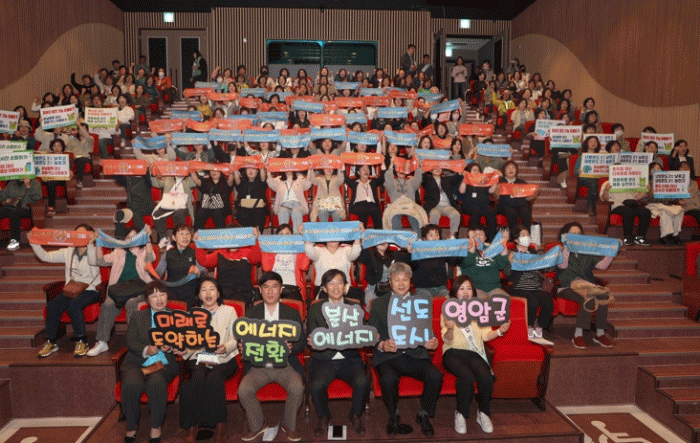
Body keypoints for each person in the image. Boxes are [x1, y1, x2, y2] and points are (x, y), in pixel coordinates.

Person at [369, 262, 442, 436]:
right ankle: (393, 415)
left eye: (405, 279)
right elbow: (371, 335)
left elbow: (427, 331)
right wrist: (382, 345)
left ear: (410, 281)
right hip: (389, 357)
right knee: (388, 380)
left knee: (435, 376)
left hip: (415, 354)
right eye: (397, 279)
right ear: (390, 281)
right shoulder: (379, 304)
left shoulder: (420, 302)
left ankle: (423, 413)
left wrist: (432, 342)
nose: (401, 284)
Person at [238, 272, 306, 442]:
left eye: (274, 287)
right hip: (259, 366)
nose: (270, 292)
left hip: (285, 365)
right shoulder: (251, 314)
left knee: (297, 387)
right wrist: (243, 347)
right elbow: (243, 341)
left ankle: (289, 425)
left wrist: (291, 347)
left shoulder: (292, 313)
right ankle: (258, 425)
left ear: (281, 290)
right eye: (266, 287)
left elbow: (302, 342)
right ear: (260, 290)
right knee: (244, 390)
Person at [172, 278, 238, 443]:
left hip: (223, 359)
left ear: (218, 293)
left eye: (212, 289)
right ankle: (193, 425)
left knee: (214, 378)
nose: (208, 293)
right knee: (198, 377)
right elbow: (190, 342)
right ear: (199, 295)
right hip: (199, 358)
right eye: (204, 290)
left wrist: (226, 346)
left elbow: (237, 337)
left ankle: (220, 424)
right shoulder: (192, 315)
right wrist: (184, 350)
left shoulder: (229, 311)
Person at [442, 275, 510, 434]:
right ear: (455, 291)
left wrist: (500, 331)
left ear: (473, 291)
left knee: (486, 377)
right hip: (453, 352)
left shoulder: (479, 309)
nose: (465, 292)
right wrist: (450, 328)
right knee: (466, 377)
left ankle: (483, 412)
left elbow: (485, 336)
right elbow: (446, 339)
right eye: (461, 288)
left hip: (474, 353)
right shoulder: (449, 307)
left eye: (469, 288)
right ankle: (461, 413)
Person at [307, 270, 371, 437]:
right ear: (324, 288)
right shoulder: (315, 309)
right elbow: (311, 336)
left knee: (362, 381)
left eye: (339, 283)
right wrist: (312, 342)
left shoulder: (355, 308)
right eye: (331, 283)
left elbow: (362, 333)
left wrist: (368, 337)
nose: (335, 287)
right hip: (324, 359)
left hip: (349, 358)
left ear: (346, 287)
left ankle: (355, 415)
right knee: (316, 386)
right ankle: (324, 416)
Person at [121, 281, 180, 443]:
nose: (159, 299)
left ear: (167, 296)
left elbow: (182, 341)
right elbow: (130, 341)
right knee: (131, 383)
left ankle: (155, 426)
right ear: (147, 300)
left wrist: (170, 347)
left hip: (161, 364)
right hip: (137, 363)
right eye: (154, 296)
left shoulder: (176, 317)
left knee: (156, 382)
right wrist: (146, 349)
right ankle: (131, 426)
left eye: (162, 294)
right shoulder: (138, 316)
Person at [30, 224, 101, 357]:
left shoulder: (96, 251)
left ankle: (82, 341)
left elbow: (93, 262)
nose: (79, 237)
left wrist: (91, 244)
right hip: (72, 289)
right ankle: (51, 341)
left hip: (90, 289)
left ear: (90, 235)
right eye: (76, 234)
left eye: (82, 234)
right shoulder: (68, 251)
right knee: (52, 306)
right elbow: (46, 256)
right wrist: (34, 243)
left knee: (74, 305)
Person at [87, 222, 155, 357]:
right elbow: (100, 261)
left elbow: (150, 258)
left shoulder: (143, 252)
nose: (131, 240)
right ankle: (102, 342)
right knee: (108, 304)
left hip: (139, 290)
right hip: (119, 291)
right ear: (124, 240)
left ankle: (134, 341)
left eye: (135, 237)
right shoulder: (118, 252)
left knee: (131, 303)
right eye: (128, 237)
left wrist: (147, 239)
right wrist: (97, 243)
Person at [556, 222, 616, 349]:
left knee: (603, 296)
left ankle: (600, 334)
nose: (576, 236)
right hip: (567, 286)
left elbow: (602, 266)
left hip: (587, 285)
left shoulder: (587, 251)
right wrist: (567, 247)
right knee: (588, 299)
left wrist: (611, 253)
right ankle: (578, 335)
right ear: (565, 235)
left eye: (579, 234)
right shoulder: (559, 250)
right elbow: (562, 265)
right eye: (573, 233)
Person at [507, 226, 554, 342]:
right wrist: (509, 261)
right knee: (532, 301)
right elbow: (507, 273)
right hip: (518, 288)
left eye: (527, 235)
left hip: (536, 288)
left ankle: (539, 327)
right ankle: (529, 328)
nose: (526, 237)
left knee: (548, 302)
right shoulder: (512, 253)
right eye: (523, 235)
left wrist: (551, 259)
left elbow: (548, 269)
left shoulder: (534, 252)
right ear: (516, 239)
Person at [194, 228, 262, 306]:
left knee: (235, 306)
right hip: (223, 292)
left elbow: (256, 259)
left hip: (242, 292)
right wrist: (197, 242)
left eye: (235, 236)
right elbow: (203, 261)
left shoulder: (247, 252)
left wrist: (256, 239)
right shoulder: (220, 252)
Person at [303, 223, 363, 297]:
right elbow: (310, 252)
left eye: (335, 235)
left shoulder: (347, 249)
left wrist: (358, 235)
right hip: (324, 289)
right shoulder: (318, 250)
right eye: (330, 235)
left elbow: (354, 254)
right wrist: (305, 234)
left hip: (344, 289)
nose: (333, 238)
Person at [153, 225, 206, 309]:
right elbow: (159, 272)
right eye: (181, 234)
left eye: (188, 234)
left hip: (190, 292)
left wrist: (198, 271)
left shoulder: (195, 252)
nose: (185, 237)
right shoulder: (168, 253)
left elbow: (204, 272)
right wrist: (151, 272)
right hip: (172, 291)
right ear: (174, 237)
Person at [600, 168, 651, 246]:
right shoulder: (607, 183)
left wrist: (646, 190)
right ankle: (628, 237)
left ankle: (640, 237)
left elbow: (637, 196)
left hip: (632, 203)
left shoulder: (629, 181)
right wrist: (606, 190)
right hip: (617, 205)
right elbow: (604, 198)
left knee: (646, 212)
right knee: (628, 211)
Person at [260, 224, 310, 301]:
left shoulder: (298, 251)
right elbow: (266, 268)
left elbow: (304, 267)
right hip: (274, 289)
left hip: (293, 288)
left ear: (292, 236)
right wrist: (266, 249)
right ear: (277, 237)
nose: (284, 237)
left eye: (287, 234)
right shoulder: (271, 252)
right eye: (281, 234)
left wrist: (304, 244)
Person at [460, 226, 512, 299]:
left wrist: (504, 243)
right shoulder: (464, 251)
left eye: (480, 234)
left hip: (494, 288)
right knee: (483, 302)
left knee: (506, 300)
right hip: (475, 289)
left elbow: (502, 265)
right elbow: (466, 263)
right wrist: (472, 246)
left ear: (485, 238)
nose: (478, 237)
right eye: (475, 235)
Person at [458, 163, 499, 241]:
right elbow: (461, 191)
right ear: (469, 172)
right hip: (469, 206)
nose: (477, 172)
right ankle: (472, 238)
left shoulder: (483, 181)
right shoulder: (466, 180)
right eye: (474, 170)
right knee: (475, 211)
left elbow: (491, 191)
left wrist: (495, 180)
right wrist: (465, 178)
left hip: (483, 205)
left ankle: (491, 238)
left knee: (490, 211)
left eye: (478, 170)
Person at [646, 162, 684, 245]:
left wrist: (678, 199)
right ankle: (664, 236)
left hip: (665, 205)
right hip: (653, 205)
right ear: (650, 172)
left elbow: (671, 197)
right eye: (654, 169)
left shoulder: (667, 182)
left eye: (658, 168)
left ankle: (675, 235)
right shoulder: (648, 183)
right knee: (664, 212)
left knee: (680, 210)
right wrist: (650, 192)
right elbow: (644, 199)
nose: (657, 170)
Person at [267, 167, 312, 234]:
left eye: (290, 167)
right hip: (283, 205)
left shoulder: (300, 178)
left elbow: (307, 186)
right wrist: (268, 170)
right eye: (286, 167)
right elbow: (270, 183)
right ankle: (284, 236)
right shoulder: (278, 179)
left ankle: (297, 236)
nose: (288, 169)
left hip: (298, 205)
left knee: (296, 212)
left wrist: (309, 170)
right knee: (282, 211)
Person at [423, 165, 463, 239]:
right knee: (434, 215)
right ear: (430, 170)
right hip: (434, 206)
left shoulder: (446, 179)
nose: (438, 169)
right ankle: (435, 237)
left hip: (447, 206)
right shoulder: (427, 180)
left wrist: (460, 170)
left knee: (456, 215)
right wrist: (423, 165)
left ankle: (451, 236)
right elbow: (422, 175)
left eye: (439, 167)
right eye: (435, 168)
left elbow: (457, 177)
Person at [497, 160, 537, 232]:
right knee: (512, 212)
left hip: (521, 205)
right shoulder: (500, 182)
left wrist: (535, 193)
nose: (511, 170)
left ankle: (526, 234)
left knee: (525, 211)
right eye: (508, 168)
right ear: (504, 170)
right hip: (506, 206)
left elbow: (528, 198)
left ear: (516, 170)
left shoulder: (522, 182)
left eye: (513, 168)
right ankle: (515, 235)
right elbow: (496, 197)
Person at [345, 165, 385, 229]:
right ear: (358, 172)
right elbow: (345, 178)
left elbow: (382, 178)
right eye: (363, 169)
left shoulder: (373, 182)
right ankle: (362, 232)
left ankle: (379, 233)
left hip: (372, 204)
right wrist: (342, 165)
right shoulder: (354, 183)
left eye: (367, 169)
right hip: (358, 205)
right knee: (363, 210)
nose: (366, 171)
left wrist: (383, 165)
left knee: (376, 210)